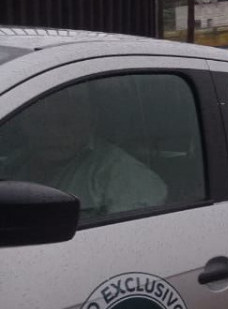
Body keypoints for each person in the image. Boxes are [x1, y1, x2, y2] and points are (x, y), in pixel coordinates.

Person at [0, 87, 167, 219]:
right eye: (38, 121)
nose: (51, 132)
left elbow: (128, 241)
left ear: (90, 120)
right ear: (22, 124)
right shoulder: (13, 162)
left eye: (65, 122)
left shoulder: (125, 176)